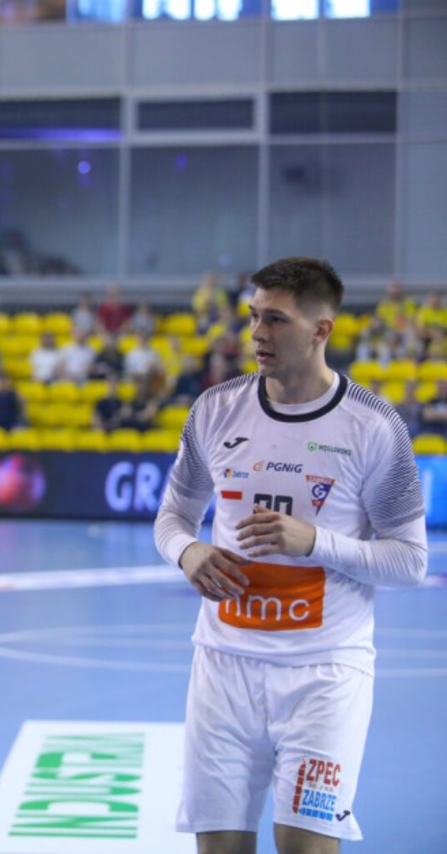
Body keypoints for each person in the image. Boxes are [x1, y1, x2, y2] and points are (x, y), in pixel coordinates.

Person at [153, 257, 428, 854]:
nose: (257, 332)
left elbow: (411, 562)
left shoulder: (374, 426)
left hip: (325, 675)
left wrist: (315, 542)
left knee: (304, 846)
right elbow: (172, 516)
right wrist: (187, 550)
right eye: (254, 316)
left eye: (276, 319)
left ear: (321, 329)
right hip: (223, 667)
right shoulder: (215, 410)